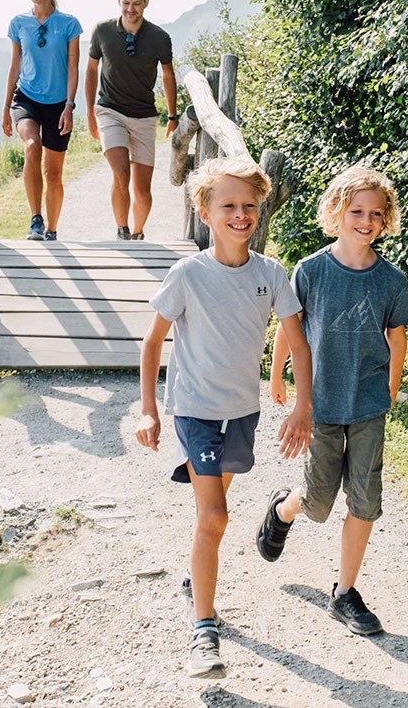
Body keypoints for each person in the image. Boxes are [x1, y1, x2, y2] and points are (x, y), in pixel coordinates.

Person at [136, 155, 312, 679]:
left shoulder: (272, 274)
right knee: (215, 518)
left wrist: (301, 404)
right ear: (205, 212)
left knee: (210, 515)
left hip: (241, 412)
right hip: (193, 409)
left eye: (250, 206)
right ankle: (203, 633)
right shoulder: (187, 274)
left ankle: (198, 568)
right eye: (229, 205)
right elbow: (151, 344)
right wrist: (148, 409)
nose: (241, 214)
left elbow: (298, 344)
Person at [256, 165, 408, 636]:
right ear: (337, 212)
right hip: (322, 405)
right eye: (356, 212)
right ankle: (283, 508)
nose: (365, 221)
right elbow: (291, 326)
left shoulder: (390, 279)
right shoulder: (311, 270)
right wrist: (277, 372)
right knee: (320, 503)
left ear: (385, 219)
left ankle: (345, 593)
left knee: (365, 503)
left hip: (367, 405)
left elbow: (397, 335)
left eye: (375, 213)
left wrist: (391, 386)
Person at [85, 0, 178, 241]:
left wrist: (172, 116)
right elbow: (91, 70)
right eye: (126, 3)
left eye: (136, 4)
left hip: (145, 117)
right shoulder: (102, 31)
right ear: (119, 1)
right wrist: (90, 111)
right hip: (109, 111)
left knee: (143, 189)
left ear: (146, 3)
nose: (130, 9)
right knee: (120, 173)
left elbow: (168, 75)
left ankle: (137, 233)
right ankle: (122, 230)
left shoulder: (160, 37)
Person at [2, 0, 82, 241]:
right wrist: (5, 108)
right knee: (32, 146)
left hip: (59, 104)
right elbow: (14, 67)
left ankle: (52, 229)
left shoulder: (69, 24)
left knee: (54, 173)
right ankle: (35, 219)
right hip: (26, 98)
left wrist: (70, 106)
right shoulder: (18, 23)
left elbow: (73, 69)